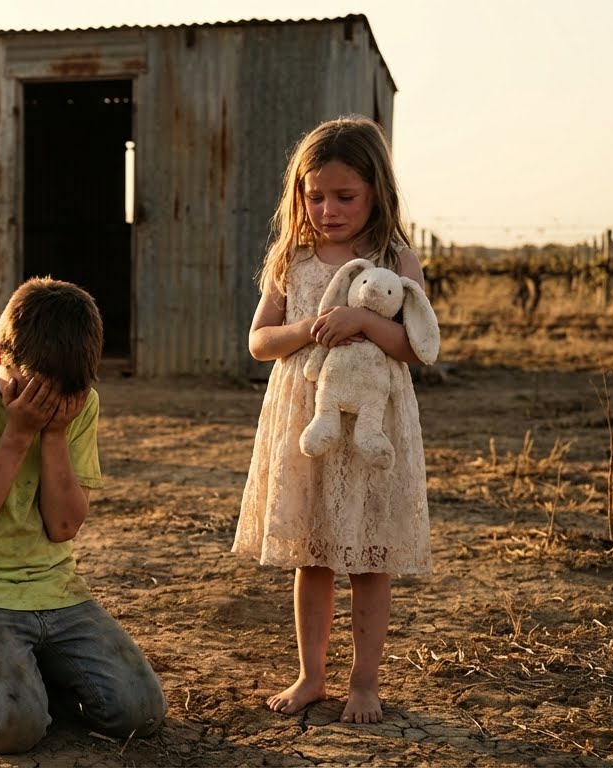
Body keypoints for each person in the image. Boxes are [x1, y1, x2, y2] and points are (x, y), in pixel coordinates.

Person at [0, 276, 165, 754]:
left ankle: (31, 676)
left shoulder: (78, 402)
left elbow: (64, 527)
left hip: (53, 588)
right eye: (31, 392)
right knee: (11, 727)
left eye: (60, 397)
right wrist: (18, 433)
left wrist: (55, 435)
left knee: (139, 713)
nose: (46, 406)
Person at [233, 115, 436, 724]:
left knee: (370, 559)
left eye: (344, 196)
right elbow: (260, 342)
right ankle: (311, 676)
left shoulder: (392, 256)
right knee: (313, 554)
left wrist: (367, 324)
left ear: (376, 191)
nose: (327, 209)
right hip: (307, 421)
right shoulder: (291, 259)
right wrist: (308, 330)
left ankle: (365, 683)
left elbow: (417, 345)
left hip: (373, 426)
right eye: (313, 195)